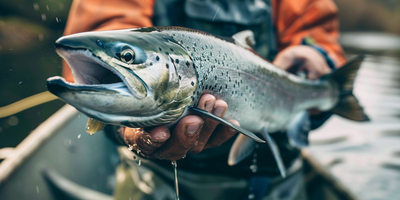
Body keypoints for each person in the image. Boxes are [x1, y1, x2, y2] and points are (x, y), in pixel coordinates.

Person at [62, 0, 346, 199]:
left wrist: (317, 56)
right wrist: (125, 124)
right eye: (127, 57)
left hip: (271, 181)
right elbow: (111, 24)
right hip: (154, 178)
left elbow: (315, 31)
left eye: (127, 58)